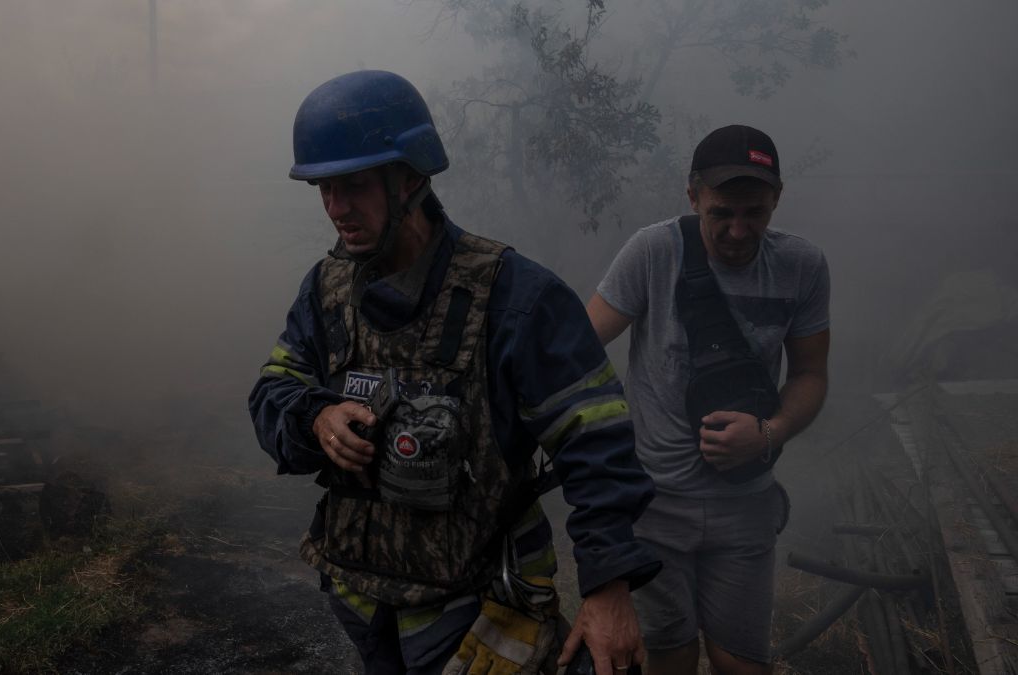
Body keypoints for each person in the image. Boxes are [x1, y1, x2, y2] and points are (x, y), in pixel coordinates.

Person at [249, 70, 660, 674]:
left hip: (482, 611)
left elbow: (596, 443)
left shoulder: (516, 297)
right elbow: (271, 390)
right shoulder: (326, 291)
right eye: (323, 190)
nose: (336, 209)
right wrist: (315, 417)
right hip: (365, 607)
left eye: (354, 186)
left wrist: (608, 586)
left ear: (411, 176)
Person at [586, 124, 830, 675]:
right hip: (655, 506)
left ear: (777, 200)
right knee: (669, 655)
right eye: (721, 212)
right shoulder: (653, 253)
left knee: (740, 660)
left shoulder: (802, 266)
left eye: (755, 213)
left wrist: (769, 433)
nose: (739, 230)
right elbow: (577, 348)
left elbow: (812, 374)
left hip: (746, 504)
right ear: (693, 196)